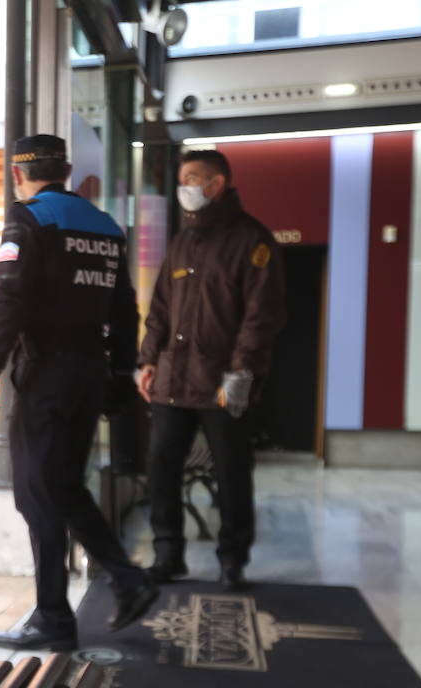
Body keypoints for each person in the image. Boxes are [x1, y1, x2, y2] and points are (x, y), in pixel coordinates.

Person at [0, 134, 157, 651]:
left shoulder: (28, 221)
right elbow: (124, 312)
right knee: (66, 487)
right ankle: (126, 578)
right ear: (66, 170)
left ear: (17, 173)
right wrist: (120, 376)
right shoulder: (106, 227)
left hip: (45, 378)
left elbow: (6, 303)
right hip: (90, 376)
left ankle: (53, 616)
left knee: (37, 494)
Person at [137, 149, 286, 590]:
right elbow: (160, 310)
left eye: (192, 178)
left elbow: (262, 316)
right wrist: (148, 360)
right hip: (172, 381)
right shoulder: (181, 242)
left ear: (216, 183)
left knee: (232, 472)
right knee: (161, 466)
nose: (185, 187)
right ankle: (168, 554)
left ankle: (232, 559)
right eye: (182, 179)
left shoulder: (252, 240)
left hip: (224, 384)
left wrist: (242, 373)